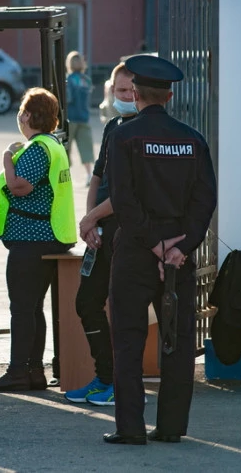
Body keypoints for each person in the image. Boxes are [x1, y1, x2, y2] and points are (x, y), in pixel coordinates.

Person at [104, 55, 216, 445]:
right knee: (179, 341)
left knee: (129, 339)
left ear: (135, 94)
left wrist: (152, 243)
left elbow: (123, 199)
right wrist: (180, 245)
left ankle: (130, 427)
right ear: (169, 95)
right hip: (179, 257)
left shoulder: (123, 137)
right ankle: (171, 427)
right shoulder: (193, 139)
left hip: (137, 251)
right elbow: (205, 201)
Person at [0, 88, 77, 392]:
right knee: (33, 307)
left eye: (22, 111)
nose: (19, 116)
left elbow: (20, 186)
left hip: (33, 240)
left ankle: (18, 371)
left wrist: (7, 158)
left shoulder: (37, 148)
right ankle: (34, 371)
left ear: (27, 115)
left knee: (22, 308)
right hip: (48, 238)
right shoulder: (54, 144)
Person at [65, 63, 138, 407]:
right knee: (87, 303)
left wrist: (93, 217)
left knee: (128, 312)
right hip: (101, 230)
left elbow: (127, 192)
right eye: (120, 91)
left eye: (132, 92)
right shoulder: (112, 126)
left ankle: (123, 385)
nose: (126, 97)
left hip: (130, 235)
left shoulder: (142, 131)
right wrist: (90, 220)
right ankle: (104, 378)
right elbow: (97, 177)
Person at [65, 51, 95, 186]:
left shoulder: (68, 79)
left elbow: (68, 98)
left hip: (70, 118)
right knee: (86, 148)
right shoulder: (86, 80)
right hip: (84, 117)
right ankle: (89, 175)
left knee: (66, 148)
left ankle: (66, 176)